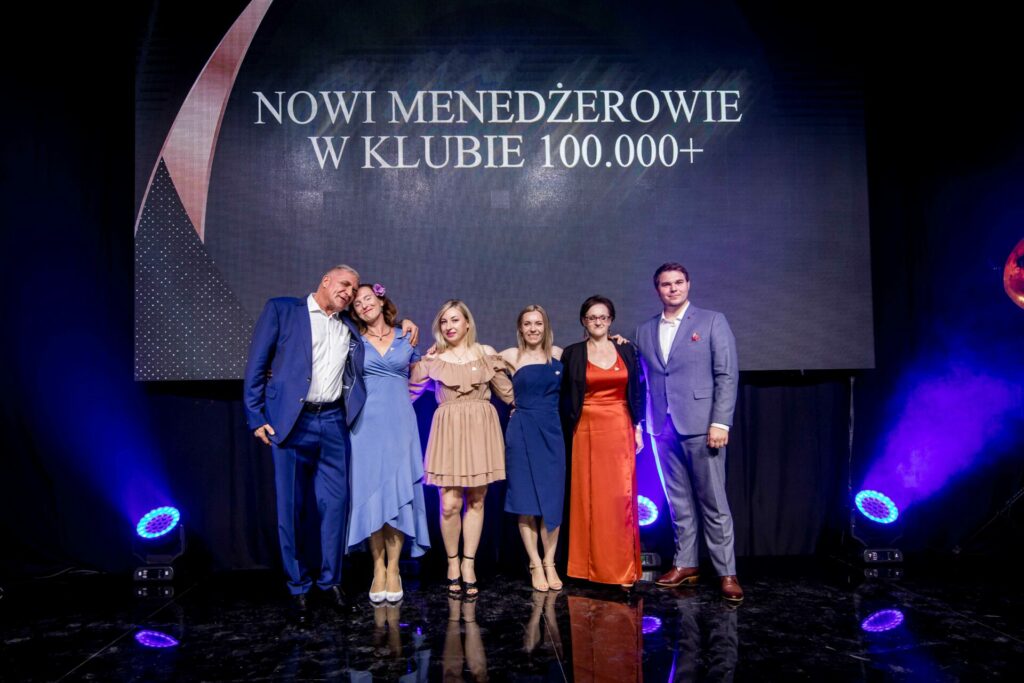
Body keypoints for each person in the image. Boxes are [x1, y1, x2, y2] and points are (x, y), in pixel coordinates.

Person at [242, 265, 417, 623]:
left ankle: (330, 582)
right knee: (291, 508)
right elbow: (257, 364)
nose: (350, 293)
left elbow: (380, 332)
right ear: (325, 281)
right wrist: (256, 415)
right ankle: (298, 587)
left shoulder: (349, 326)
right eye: (345, 285)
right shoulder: (282, 310)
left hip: (334, 422)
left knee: (335, 506)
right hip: (291, 423)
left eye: (353, 289)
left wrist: (406, 324)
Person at [634, 263, 742, 603]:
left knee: (714, 502)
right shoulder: (644, 330)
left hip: (702, 426)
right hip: (661, 426)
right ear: (657, 289)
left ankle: (727, 573)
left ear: (688, 285)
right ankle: (686, 564)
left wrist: (720, 422)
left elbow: (726, 374)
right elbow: (642, 379)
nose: (673, 289)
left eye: (678, 282)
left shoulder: (712, 321)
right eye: (666, 284)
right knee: (677, 501)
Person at [412, 300, 513, 598]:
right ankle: (452, 562)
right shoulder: (434, 359)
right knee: (449, 504)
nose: (449, 326)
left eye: (455, 320)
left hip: (481, 429)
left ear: (467, 323)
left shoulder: (485, 353)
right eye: (444, 321)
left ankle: (468, 564)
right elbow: (406, 392)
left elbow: (509, 393)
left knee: (477, 500)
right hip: (449, 432)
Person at [347, 283, 430, 604]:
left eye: (368, 298)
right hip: (365, 428)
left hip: (400, 426)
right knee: (372, 496)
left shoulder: (406, 336)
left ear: (381, 301)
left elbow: (420, 377)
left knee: (398, 496)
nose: (364, 305)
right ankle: (377, 569)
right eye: (357, 303)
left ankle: (393, 569)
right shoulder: (353, 340)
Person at [560, 295, 644, 587]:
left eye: (603, 317)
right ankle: (585, 568)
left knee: (619, 498)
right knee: (587, 499)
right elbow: (563, 394)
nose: (598, 321)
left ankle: (620, 568)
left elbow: (637, 390)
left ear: (611, 320)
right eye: (592, 317)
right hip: (585, 429)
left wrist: (638, 426)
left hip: (619, 426)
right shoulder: (572, 353)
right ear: (583, 321)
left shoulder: (626, 350)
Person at [498, 305, 565, 592]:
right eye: (527, 324)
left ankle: (550, 562)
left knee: (552, 499)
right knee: (525, 501)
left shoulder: (559, 354)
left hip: (552, 431)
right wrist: (510, 400)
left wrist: (616, 340)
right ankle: (535, 563)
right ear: (520, 328)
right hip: (522, 431)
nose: (533, 328)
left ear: (546, 326)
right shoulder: (511, 356)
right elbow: (475, 362)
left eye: (538, 323)